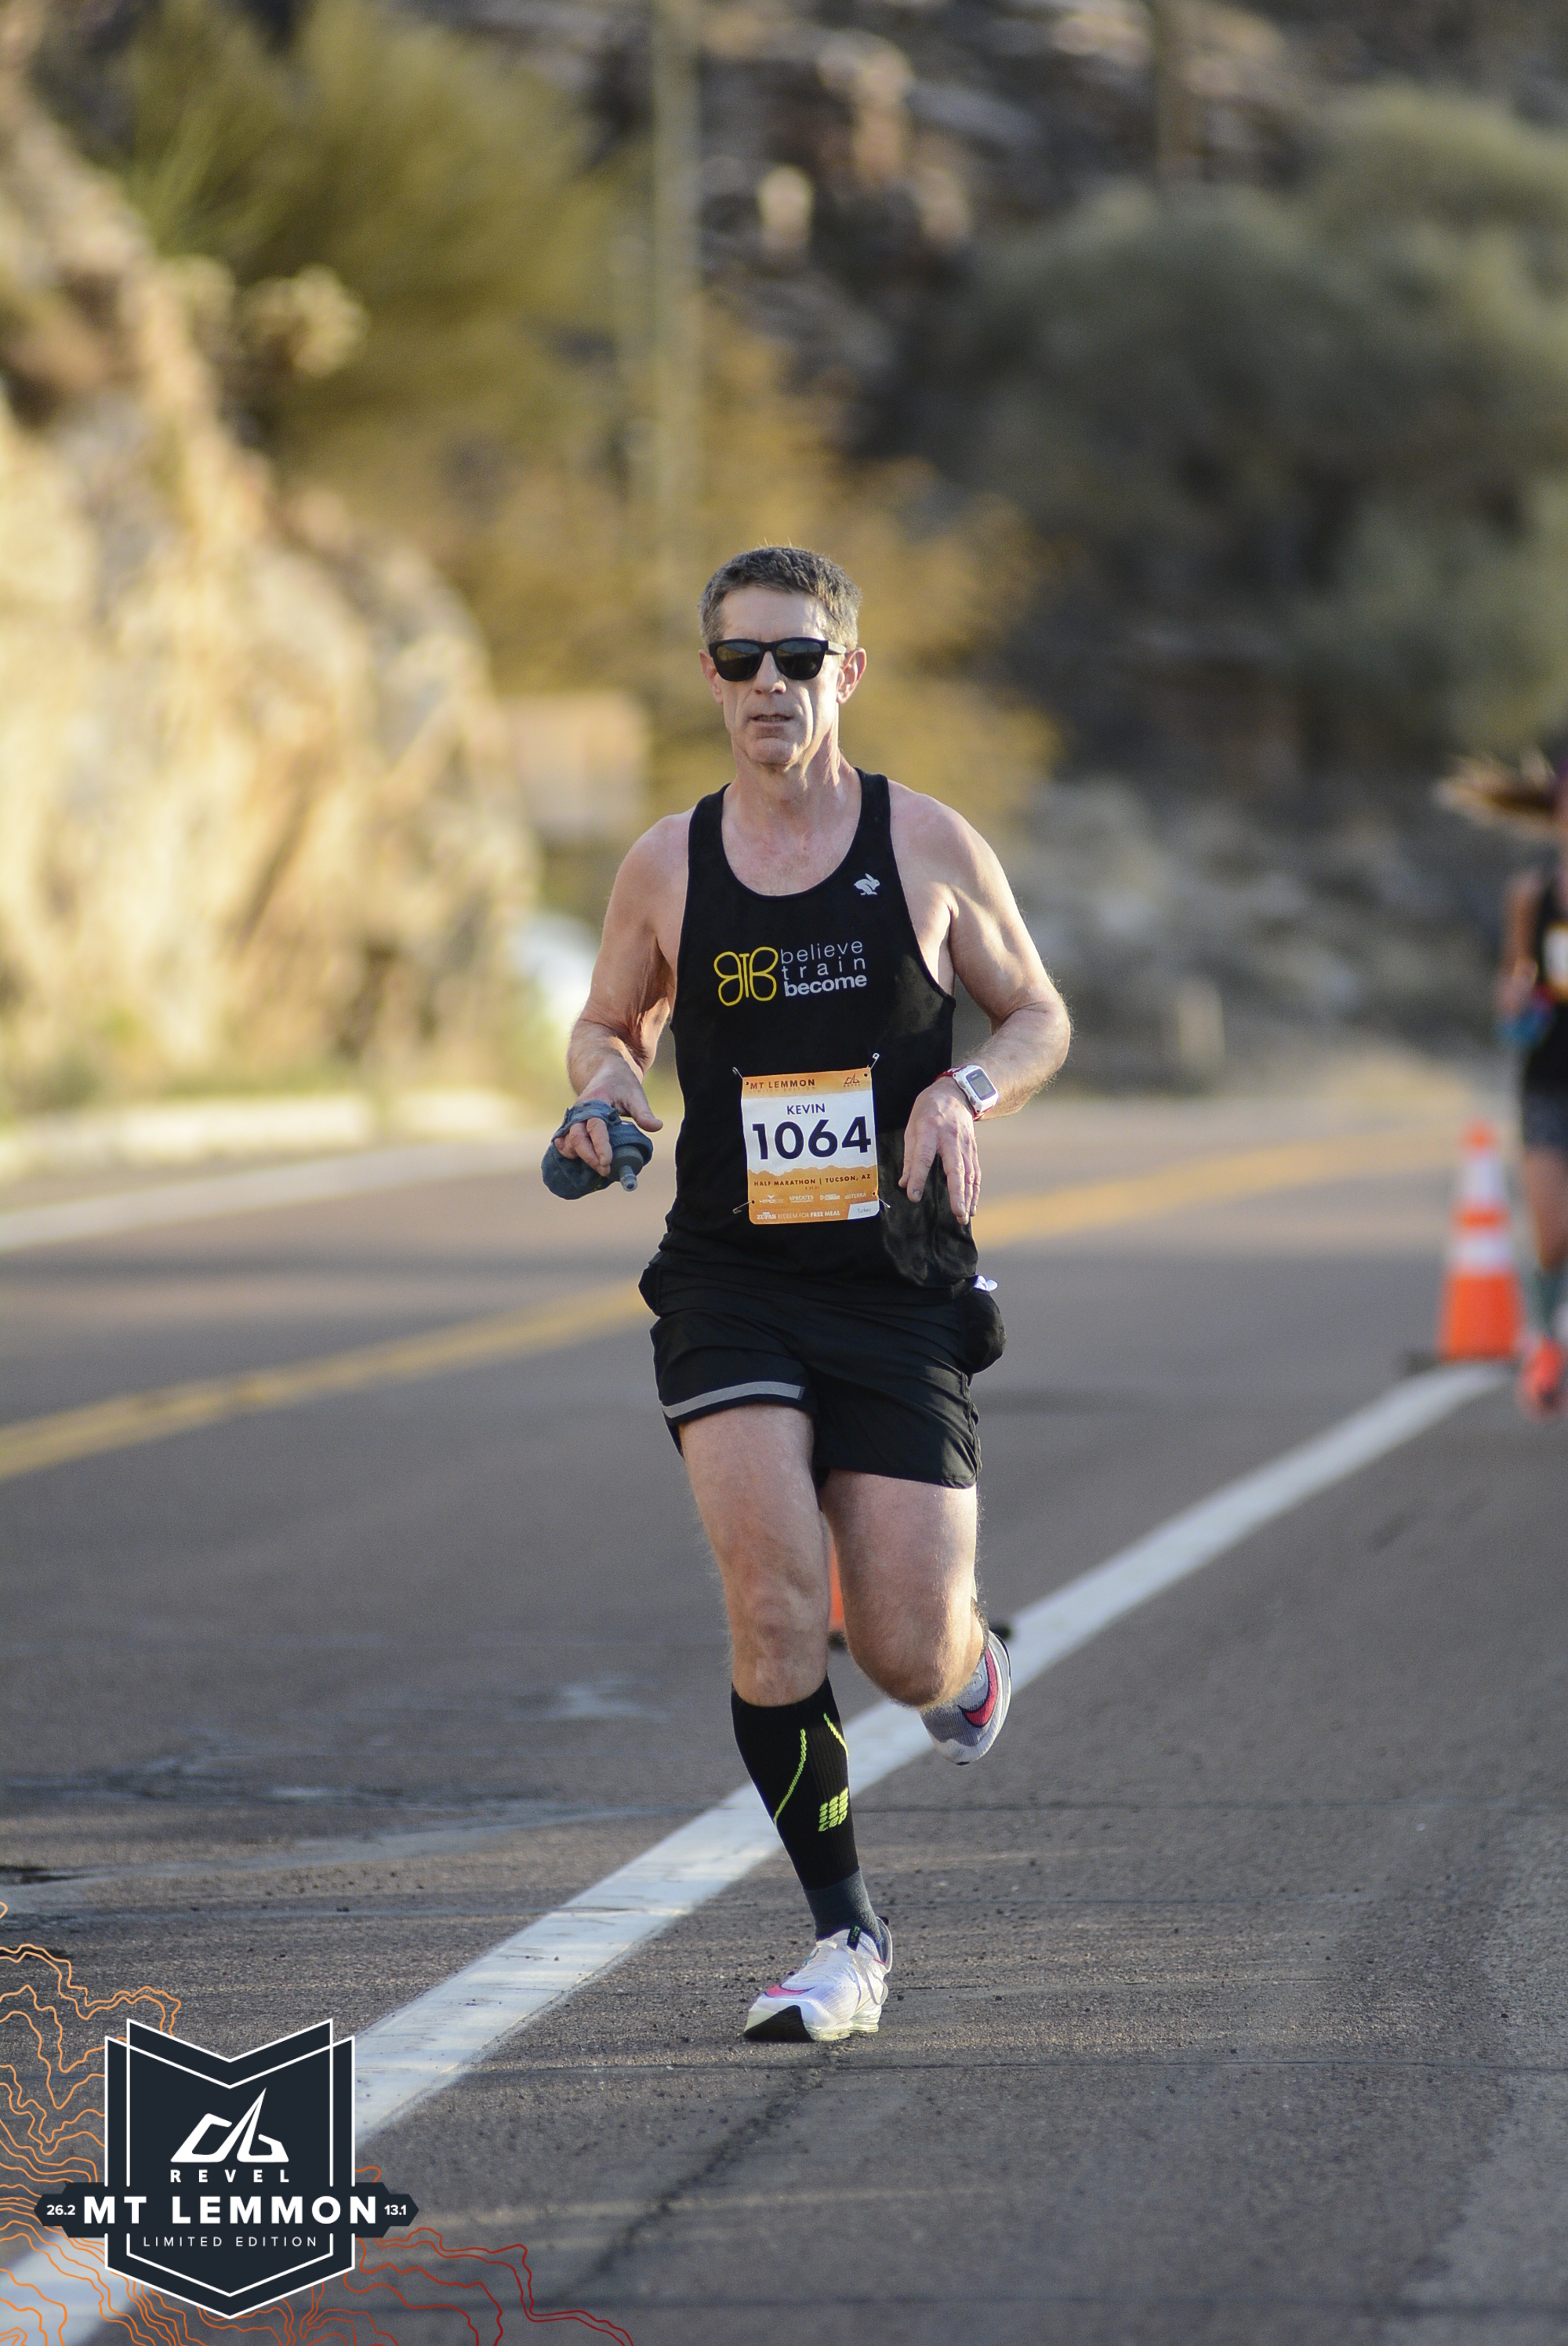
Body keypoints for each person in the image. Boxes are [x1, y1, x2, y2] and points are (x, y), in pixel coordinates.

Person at [554, 544, 1069, 2042]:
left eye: (795, 657)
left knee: (905, 1646)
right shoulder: (669, 863)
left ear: (848, 671)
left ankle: (969, 1669)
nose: (766, 684)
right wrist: (604, 1094)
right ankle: (845, 1932)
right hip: (730, 1277)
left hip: (895, 1282)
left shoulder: (928, 843)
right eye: (739, 660)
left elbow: (1039, 1012)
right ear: (711, 677)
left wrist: (964, 1089)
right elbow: (610, 1022)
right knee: (775, 1604)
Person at [1497, 762, 1568, 1418]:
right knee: (1552, 1235)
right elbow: (1514, 976)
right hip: (1547, 1081)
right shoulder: (1532, 895)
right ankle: (1545, 1341)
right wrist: (1515, 999)